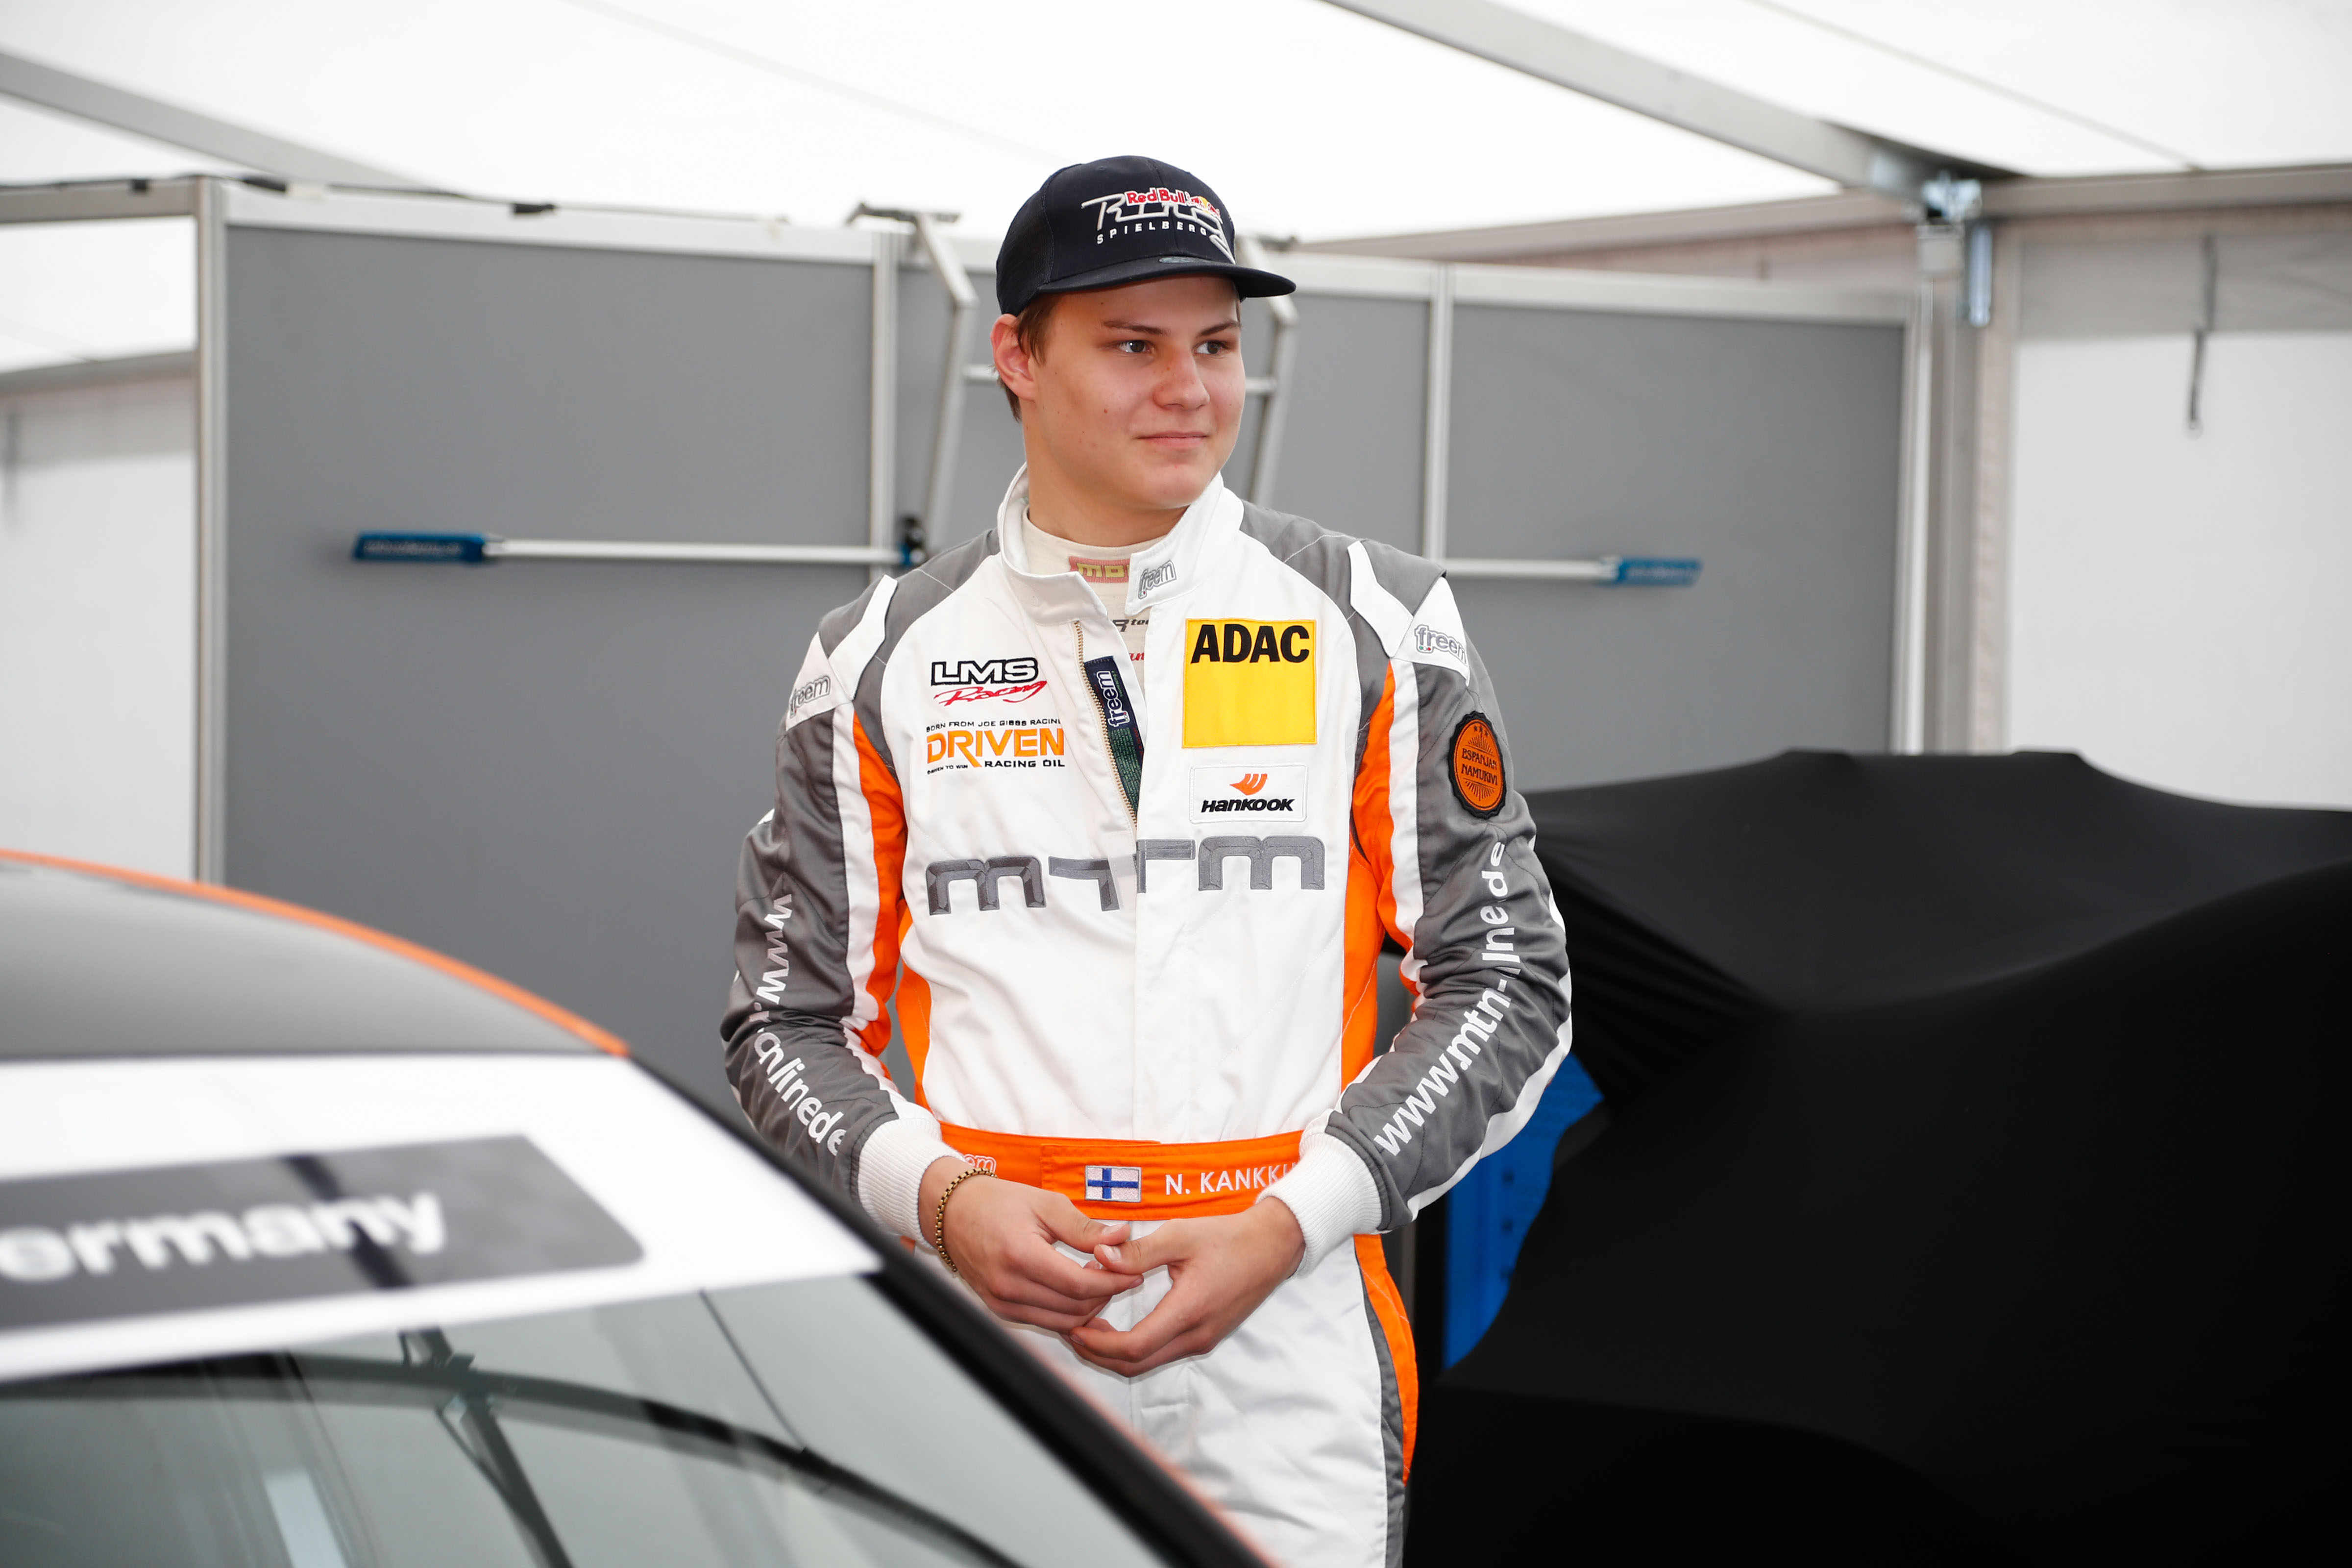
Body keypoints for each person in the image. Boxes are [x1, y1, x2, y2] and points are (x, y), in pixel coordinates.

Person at [723, 155, 1572, 1568]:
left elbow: (1510, 980)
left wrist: (1292, 1222)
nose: (1189, 390)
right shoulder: (877, 657)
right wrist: (943, 1200)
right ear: (1018, 356)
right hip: (993, 1332)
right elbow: (786, 1021)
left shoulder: (1375, 620)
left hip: (1285, 1331)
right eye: (1133, 346)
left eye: (1217, 346)